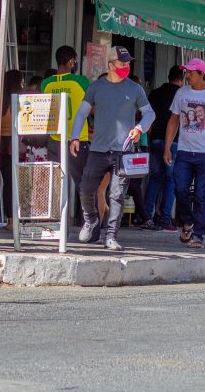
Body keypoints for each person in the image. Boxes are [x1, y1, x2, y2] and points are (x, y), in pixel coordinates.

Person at [69, 46, 154, 251]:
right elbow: (81, 113)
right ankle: (91, 221)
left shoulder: (135, 89)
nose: (126, 66)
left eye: (128, 63)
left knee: (116, 195)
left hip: (123, 152)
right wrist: (74, 137)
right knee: (85, 189)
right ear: (110, 65)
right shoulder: (96, 87)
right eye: (122, 63)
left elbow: (150, 113)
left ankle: (111, 236)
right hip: (98, 149)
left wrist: (139, 128)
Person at [163, 58, 205, 248]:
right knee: (180, 188)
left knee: (201, 194)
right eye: (186, 72)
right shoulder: (181, 93)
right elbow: (174, 120)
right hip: (184, 151)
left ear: (201, 73)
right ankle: (187, 222)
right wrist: (168, 147)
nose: (187, 75)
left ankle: (198, 235)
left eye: (191, 72)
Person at [41, 45, 91, 223]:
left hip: (55, 138)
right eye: (75, 60)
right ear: (71, 61)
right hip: (77, 138)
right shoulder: (81, 82)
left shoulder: (46, 84)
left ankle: (55, 219)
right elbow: (93, 106)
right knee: (83, 182)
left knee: (56, 181)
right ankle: (87, 219)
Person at [145, 66, 184, 230]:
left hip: (155, 139)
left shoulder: (155, 93)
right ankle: (165, 219)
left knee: (154, 178)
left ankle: (147, 217)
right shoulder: (182, 95)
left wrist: (149, 139)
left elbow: (149, 117)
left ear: (168, 76)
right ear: (182, 79)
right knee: (170, 180)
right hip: (174, 142)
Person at [0, 69, 26, 224]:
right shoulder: (22, 100)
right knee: (17, 182)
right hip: (16, 143)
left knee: (7, 182)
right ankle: (16, 219)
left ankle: (10, 219)